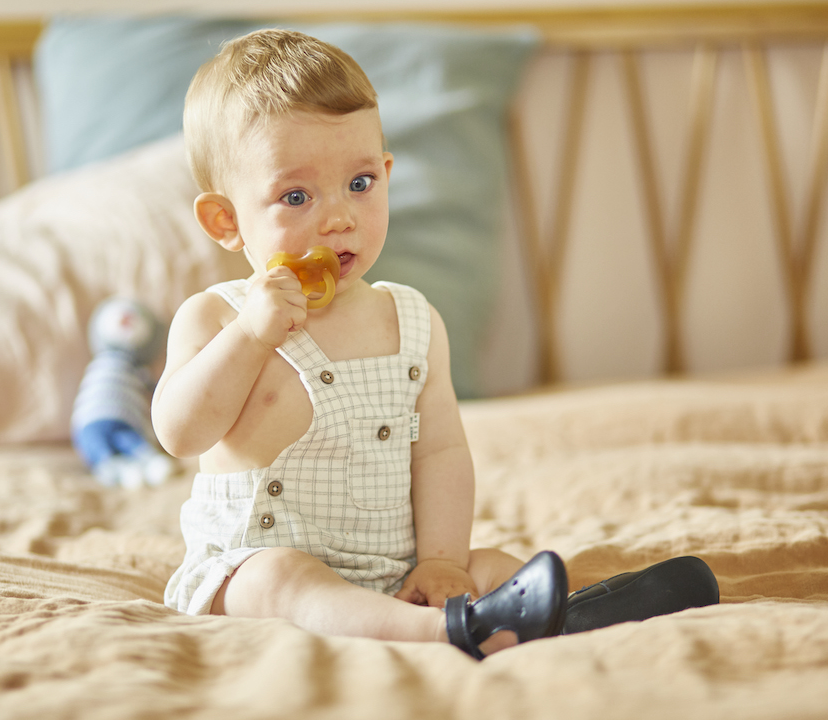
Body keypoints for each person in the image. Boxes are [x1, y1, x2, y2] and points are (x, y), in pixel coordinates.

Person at [154, 29, 718, 660]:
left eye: (360, 183)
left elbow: (442, 452)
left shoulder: (412, 320)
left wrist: (444, 564)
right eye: (296, 196)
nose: (339, 216)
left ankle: (566, 613)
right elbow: (180, 434)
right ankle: (452, 632)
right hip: (252, 569)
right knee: (281, 579)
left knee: (496, 562)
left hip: (393, 572)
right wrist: (251, 337)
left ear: (387, 174)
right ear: (226, 221)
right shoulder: (214, 318)